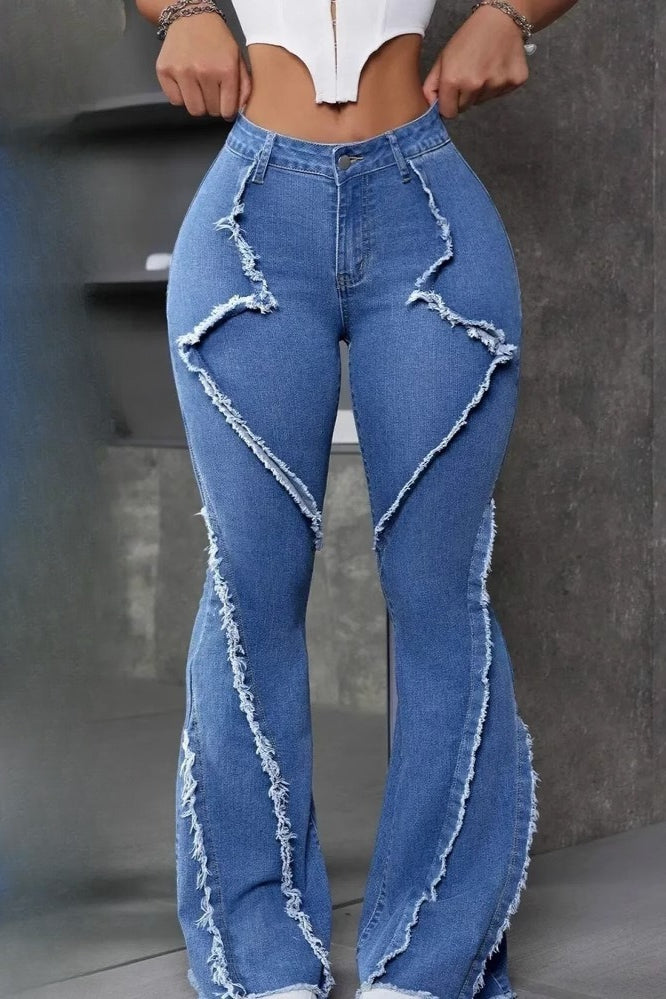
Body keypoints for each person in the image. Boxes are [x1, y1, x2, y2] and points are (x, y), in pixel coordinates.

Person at [135, 2, 577, 998]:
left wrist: (511, 14)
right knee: (251, 585)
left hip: (428, 213)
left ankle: (431, 956)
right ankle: (257, 958)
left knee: (439, 589)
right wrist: (182, 10)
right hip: (251, 216)